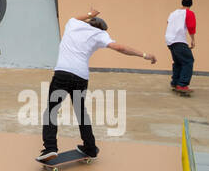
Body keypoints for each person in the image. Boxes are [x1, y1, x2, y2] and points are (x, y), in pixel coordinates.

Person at [38, 8, 155, 161]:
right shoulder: (101, 34)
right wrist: (144, 55)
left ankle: (50, 148)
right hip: (80, 77)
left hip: (62, 73)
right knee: (81, 112)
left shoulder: (72, 24)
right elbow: (120, 47)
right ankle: (90, 147)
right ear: (102, 29)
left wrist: (90, 14)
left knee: (52, 110)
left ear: (89, 22)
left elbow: (76, 16)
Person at [166, 0, 197, 94]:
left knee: (178, 62)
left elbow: (168, 22)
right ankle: (182, 85)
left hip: (170, 40)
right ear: (191, 4)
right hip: (179, 40)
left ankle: (175, 82)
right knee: (188, 61)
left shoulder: (173, 13)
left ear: (182, 3)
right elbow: (191, 27)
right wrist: (192, 40)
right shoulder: (189, 13)